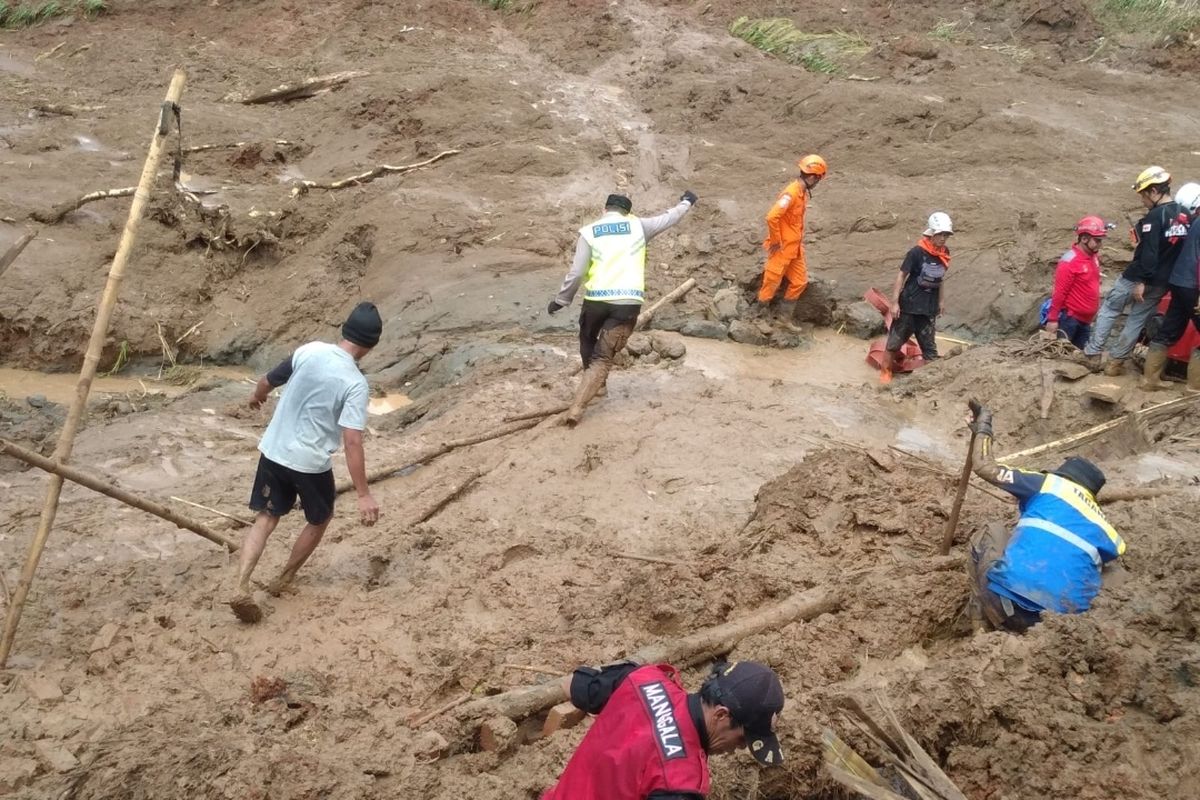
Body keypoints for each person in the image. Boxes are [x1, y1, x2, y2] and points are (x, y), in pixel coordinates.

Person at [228, 302, 384, 623]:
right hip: (309, 464)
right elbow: (352, 440)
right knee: (319, 518)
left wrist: (256, 398)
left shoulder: (310, 350)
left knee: (266, 518)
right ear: (370, 346)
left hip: (273, 450)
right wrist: (363, 493)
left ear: (344, 330)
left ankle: (241, 585)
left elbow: (267, 381)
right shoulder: (355, 384)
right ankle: (283, 579)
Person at [965, 401, 1125, 632]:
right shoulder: (1106, 529)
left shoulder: (1050, 485)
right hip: (1059, 629)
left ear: (1065, 476)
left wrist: (984, 428)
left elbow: (983, 466)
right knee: (1106, 572)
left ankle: (980, 629)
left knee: (989, 532)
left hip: (1004, 604)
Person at [547, 190, 697, 426]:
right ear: (628, 212)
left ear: (605, 210)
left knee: (587, 339)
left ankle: (587, 398)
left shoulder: (590, 231)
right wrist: (686, 202)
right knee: (603, 358)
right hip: (627, 303)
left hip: (595, 300)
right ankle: (588, 395)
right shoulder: (639, 226)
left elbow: (576, 272)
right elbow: (670, 218)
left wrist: (561, 300)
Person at [542, 660, 785, 800]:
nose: (737, 750)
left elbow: (573, 685)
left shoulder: (643, 678)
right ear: (721, 715)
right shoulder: (682, 781)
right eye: (742, 739)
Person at [1082, 166, 1189, 375]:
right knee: (1137, 319)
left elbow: (1149, 253)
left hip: (1139, 277)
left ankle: (1092, 354)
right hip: (1163, 282)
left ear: (1154, 191)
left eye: (1143, 195)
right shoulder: (1184, 215)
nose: (1142, 201)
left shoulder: (1154, 217)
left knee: (1110, 309)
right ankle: (1115, 363)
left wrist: (1141, 280)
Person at [757, 154, 827, 329]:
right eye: (817, 180)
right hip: (781, 247)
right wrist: (775, 240)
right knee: (772, 281)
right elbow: (772, 217)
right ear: (812, 177)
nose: (817, 183)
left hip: (794, 248)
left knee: (799, 281)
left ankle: (783, 318)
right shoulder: (791, 193)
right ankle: (759, 317)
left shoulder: (802, 193)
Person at [881, 212, 953, 381]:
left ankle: (930, 381)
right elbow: (901, 276)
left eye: (946, 235)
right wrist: (894, 303)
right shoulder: (916, 253)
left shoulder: (945, 253)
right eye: (940, 234)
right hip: (909, 307)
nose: (943, 239)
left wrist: (941, 301)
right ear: (932, 234)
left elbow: (940, 278)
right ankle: (885, 374)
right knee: (894, 344)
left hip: (928, 309)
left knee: (930, 350)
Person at [1143, 182, 1200, 391]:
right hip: (1194, 286)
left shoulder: (1190, 223)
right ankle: (1195, 389)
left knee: (1169, 330)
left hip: (1177, 282)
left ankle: (1149, 381)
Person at [1042, 216, 1107, 350]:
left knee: (1078, 358)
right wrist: (1053, 319)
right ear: (1084, 239)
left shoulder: (1093, 257)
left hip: (1086, 321)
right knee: (1061, 356)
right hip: (1070, 320)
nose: (1100, 244)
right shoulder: (1069, 262)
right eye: (1097, 240)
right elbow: (1059, 292)